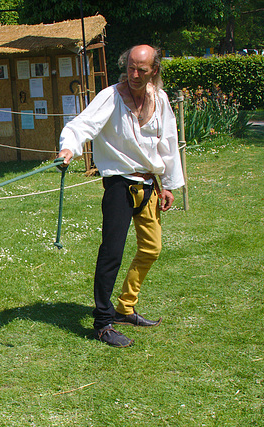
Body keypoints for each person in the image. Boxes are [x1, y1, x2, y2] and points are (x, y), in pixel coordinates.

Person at [58, 45, 185, 348]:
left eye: (142, 69)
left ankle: (124, 308)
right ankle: (103, 323)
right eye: (130, 67)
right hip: (119, 187)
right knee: (111, 253)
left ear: (155, 70)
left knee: (152, 248)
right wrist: (68, 148)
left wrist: (167, 184)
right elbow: (81, 126)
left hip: (149, 185)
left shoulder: (161, 99)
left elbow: (167, 142)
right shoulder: (111, 96)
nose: (135, 74)